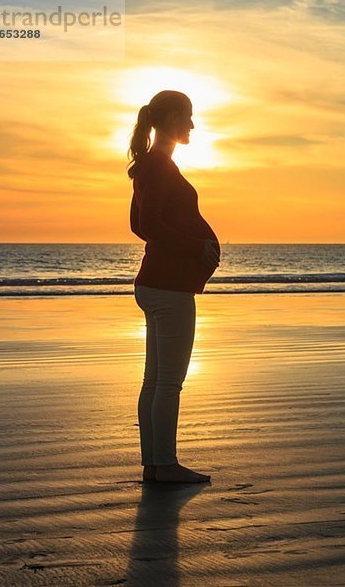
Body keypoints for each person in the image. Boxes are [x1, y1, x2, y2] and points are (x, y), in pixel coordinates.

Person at [127, 90, 220, 483]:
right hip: (169, 287)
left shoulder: (151, 164)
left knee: (155, 382)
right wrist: (197, 246)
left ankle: (155, 464)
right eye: (188, 117)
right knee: (168, 383)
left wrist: (195, 246)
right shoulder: (159, 166)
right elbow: (148, 226)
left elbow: (137, 224)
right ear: (170, 118)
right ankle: (163, 465)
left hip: (157, 285)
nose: (193, 126)